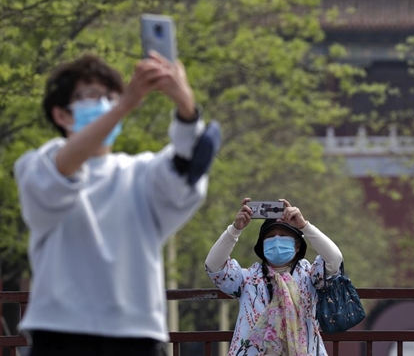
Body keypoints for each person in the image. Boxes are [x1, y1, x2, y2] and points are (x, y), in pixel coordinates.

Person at [14, 52, 219, 356]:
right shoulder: (37, 165)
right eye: (91, 95)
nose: (105, 104)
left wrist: (186, 107)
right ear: (61, 114)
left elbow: (184, 170)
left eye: (110, 96)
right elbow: (59, 174)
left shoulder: (140, 173)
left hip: (136, 334)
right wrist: (124, 104)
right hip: (59, 333)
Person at [205, 198, 343, 356]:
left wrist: (304, 226)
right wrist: (235, 229)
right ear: (262, 246)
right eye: (270, 237)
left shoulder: (310, 276)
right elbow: (213, 265)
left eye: (284, 235)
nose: (277, 240)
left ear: (297, 245)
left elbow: (334, 259)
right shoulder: (247, 279)